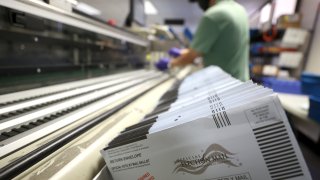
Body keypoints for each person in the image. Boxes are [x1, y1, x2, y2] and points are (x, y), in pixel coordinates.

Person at [170, 0, 249, 81]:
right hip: (240, 82)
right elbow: (223, 46)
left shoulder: (214, 14)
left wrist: (170, 64)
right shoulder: (239, 9)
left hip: (223, 85)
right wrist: (183, 52)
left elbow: (192, 56)